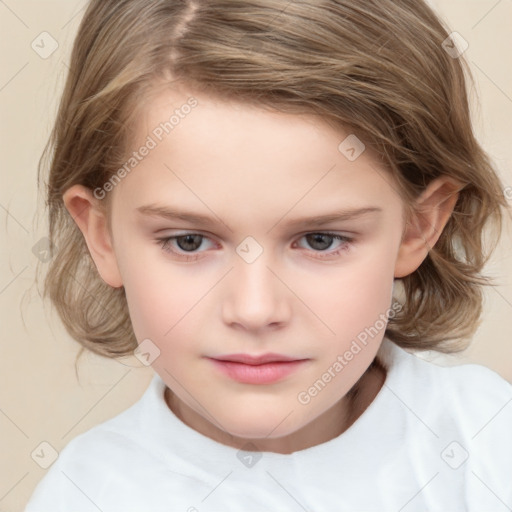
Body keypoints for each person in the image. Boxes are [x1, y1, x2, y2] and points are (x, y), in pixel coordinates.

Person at [26, 0, 512, 510]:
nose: (255, 310)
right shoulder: (84, 495)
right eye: (188, 241)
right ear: (102, 236)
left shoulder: (490, 447)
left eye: (321, 240)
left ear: (419, 225)